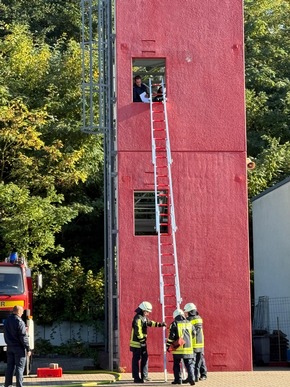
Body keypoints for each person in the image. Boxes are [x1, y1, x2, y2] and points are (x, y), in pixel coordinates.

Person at [130, 301, 166, 383]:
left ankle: (144, 377)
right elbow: (137, 331)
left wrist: (160, 324)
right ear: (143, 310)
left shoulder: (143, 318)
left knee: (145, 358)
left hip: (142, 343)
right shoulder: (138, 318)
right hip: (137, 343)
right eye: (147, 312)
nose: (148, 313)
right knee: (136, 360)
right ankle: (136, 378)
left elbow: (150, 323)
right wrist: (142, 341)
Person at [166, 309, 196, 385]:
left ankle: (178, 379)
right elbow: (194, 333)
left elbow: (171, 337)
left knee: (176, 364)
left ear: (175, 316)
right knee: (189, 363)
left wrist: (168, 345)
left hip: (178, 349)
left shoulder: (174, 323)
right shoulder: (189, 323)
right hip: (188, 348)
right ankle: (191, 377)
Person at [4, 305, 32, 387]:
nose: (23, 313)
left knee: (10, 367)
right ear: (18, 311)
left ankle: (7, 385)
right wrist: (28, 348)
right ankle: (19, 385)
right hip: (18, 348)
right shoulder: (20, 322)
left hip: (9, 347)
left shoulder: (7, 321)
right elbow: (23, 337)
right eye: (22, 311)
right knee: (19, 367)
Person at [183, 303, 208, 382]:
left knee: (192, 361)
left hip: (193, 343)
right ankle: (203, 375)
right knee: (200, 359)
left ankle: (194, 376)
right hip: (200, 343)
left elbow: (190, 332)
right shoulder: (199, 318)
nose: (185, 313)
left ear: (190, 312)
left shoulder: (190, 320)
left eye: (186, 312)